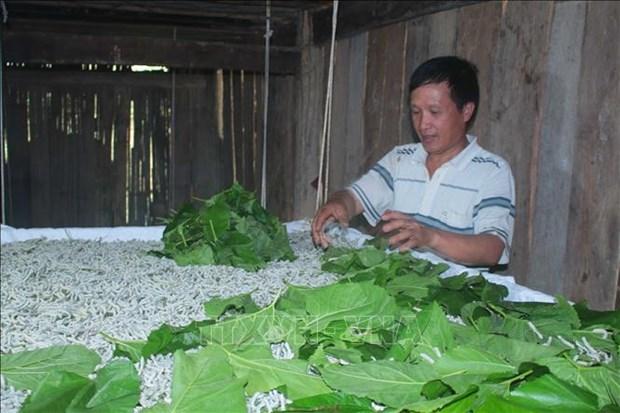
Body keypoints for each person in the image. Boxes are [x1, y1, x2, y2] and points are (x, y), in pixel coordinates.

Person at [311, 56, 515, 267]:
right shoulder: (401, 158)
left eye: (434, 112)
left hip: (455, 293)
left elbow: (493, 248)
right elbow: (353, 198)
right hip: (398, 282)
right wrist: (338, 204)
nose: (423, 124)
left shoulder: (492, 171)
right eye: (416, 112)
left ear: (466, 111)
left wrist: (430, 237)